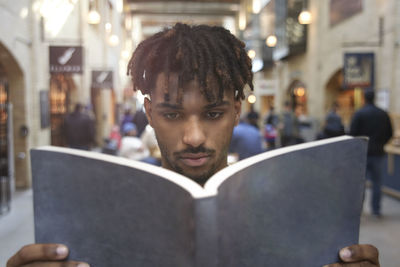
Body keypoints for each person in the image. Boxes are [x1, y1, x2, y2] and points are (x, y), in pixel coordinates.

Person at [7, 23, 380, 267]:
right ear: (149, 113)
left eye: (214, 113)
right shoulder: (97, 211)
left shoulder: (294, 207)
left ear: (236, 111)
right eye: (172, 115)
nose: (195, 137)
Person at [350, 89, 393, 217]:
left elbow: (353, 133)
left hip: (363, 153)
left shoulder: (359, 114)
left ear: (364, 98)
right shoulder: (383, 114)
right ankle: (376, 210)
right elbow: (389, 133)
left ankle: (359, 211)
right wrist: (381, 143)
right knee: (377, 183)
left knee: (360, 184)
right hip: (378, 152)